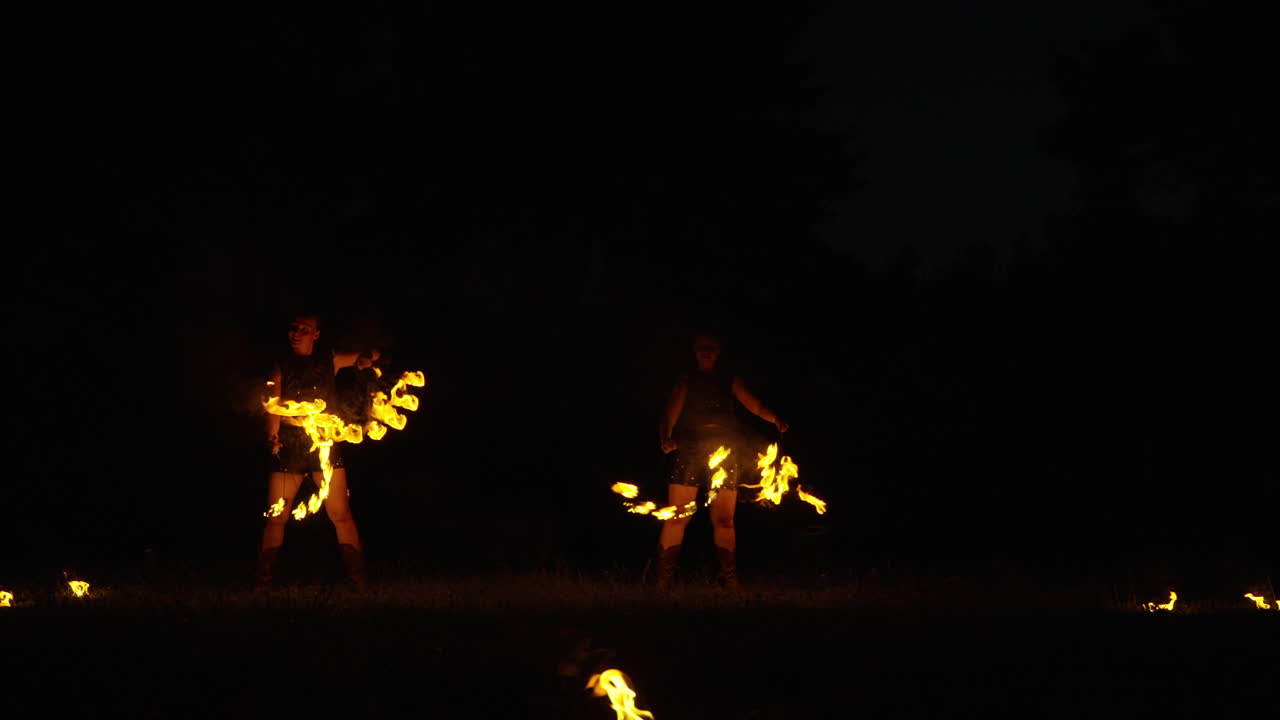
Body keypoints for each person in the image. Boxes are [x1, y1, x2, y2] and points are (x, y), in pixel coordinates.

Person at [254, 312, 380, 592]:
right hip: (289, 448)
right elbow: (273, 403)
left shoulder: (328, 360)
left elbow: (362, 356)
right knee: (276, 517)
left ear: (316, 334)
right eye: (293, 328)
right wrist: (272, 437)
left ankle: (360, 583)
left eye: (304, 329)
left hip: (323, 443)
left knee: (341, 514)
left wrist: (370, 355)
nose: (296, 333)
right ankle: (262, 583)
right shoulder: (281, 365)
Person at [655, 330, 788, 590]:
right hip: (690, 452)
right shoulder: (687, 379)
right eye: (702, 347)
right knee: (678, 517)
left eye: (712, 347)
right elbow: (668, 414)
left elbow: (755, 405)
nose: (707, 352)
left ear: (719, 351)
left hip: (725, 453)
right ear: (694, 350)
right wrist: (665, 438)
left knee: (725, 520)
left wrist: (775, 419)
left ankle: (730, 581)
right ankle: (662, 582)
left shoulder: (729, 379)